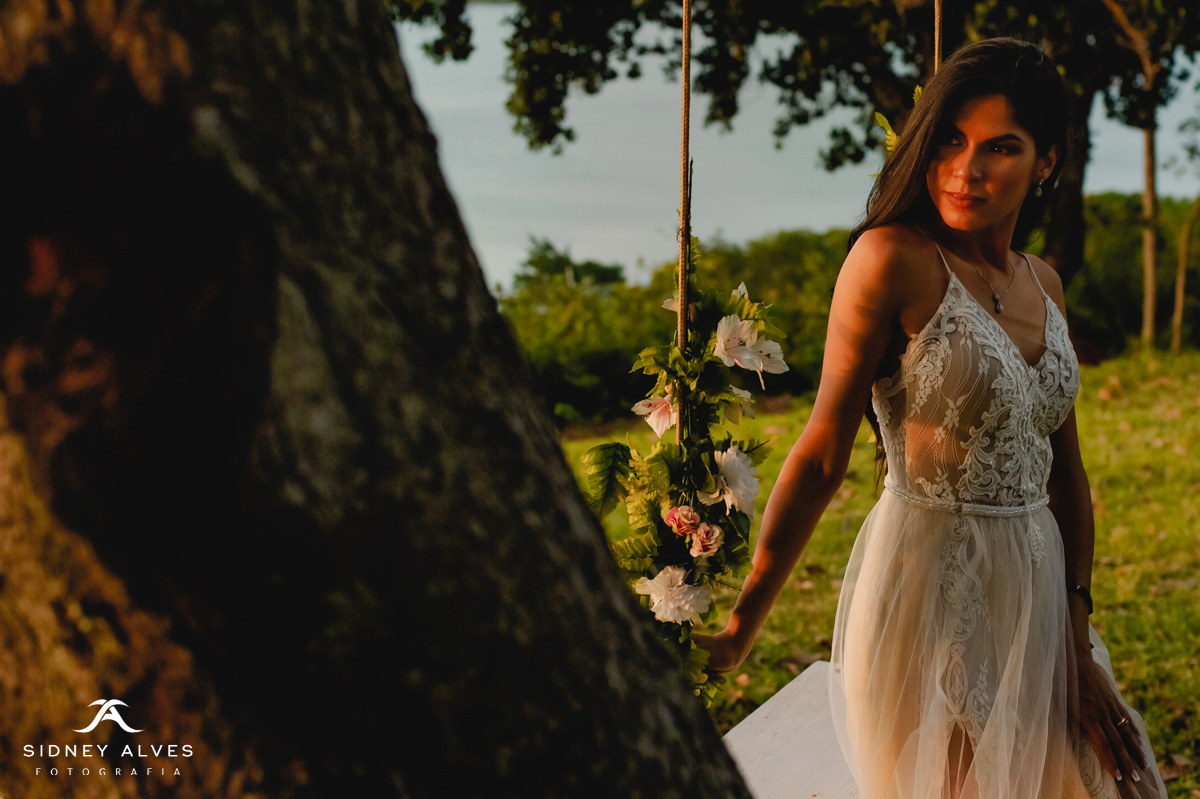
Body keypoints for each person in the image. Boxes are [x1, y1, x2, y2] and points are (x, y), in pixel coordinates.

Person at [694, 38, 1169, 799]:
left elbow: (1065, 476)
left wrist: (1076, 642)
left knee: (1110, 781)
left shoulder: (1043, 281)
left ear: (1047, 162)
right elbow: (820, 454)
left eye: (1000, 148)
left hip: (1041, 604)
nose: (965, 169)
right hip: (928, 598)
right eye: (949, 139)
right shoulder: (892, 260)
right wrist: (744, 624)